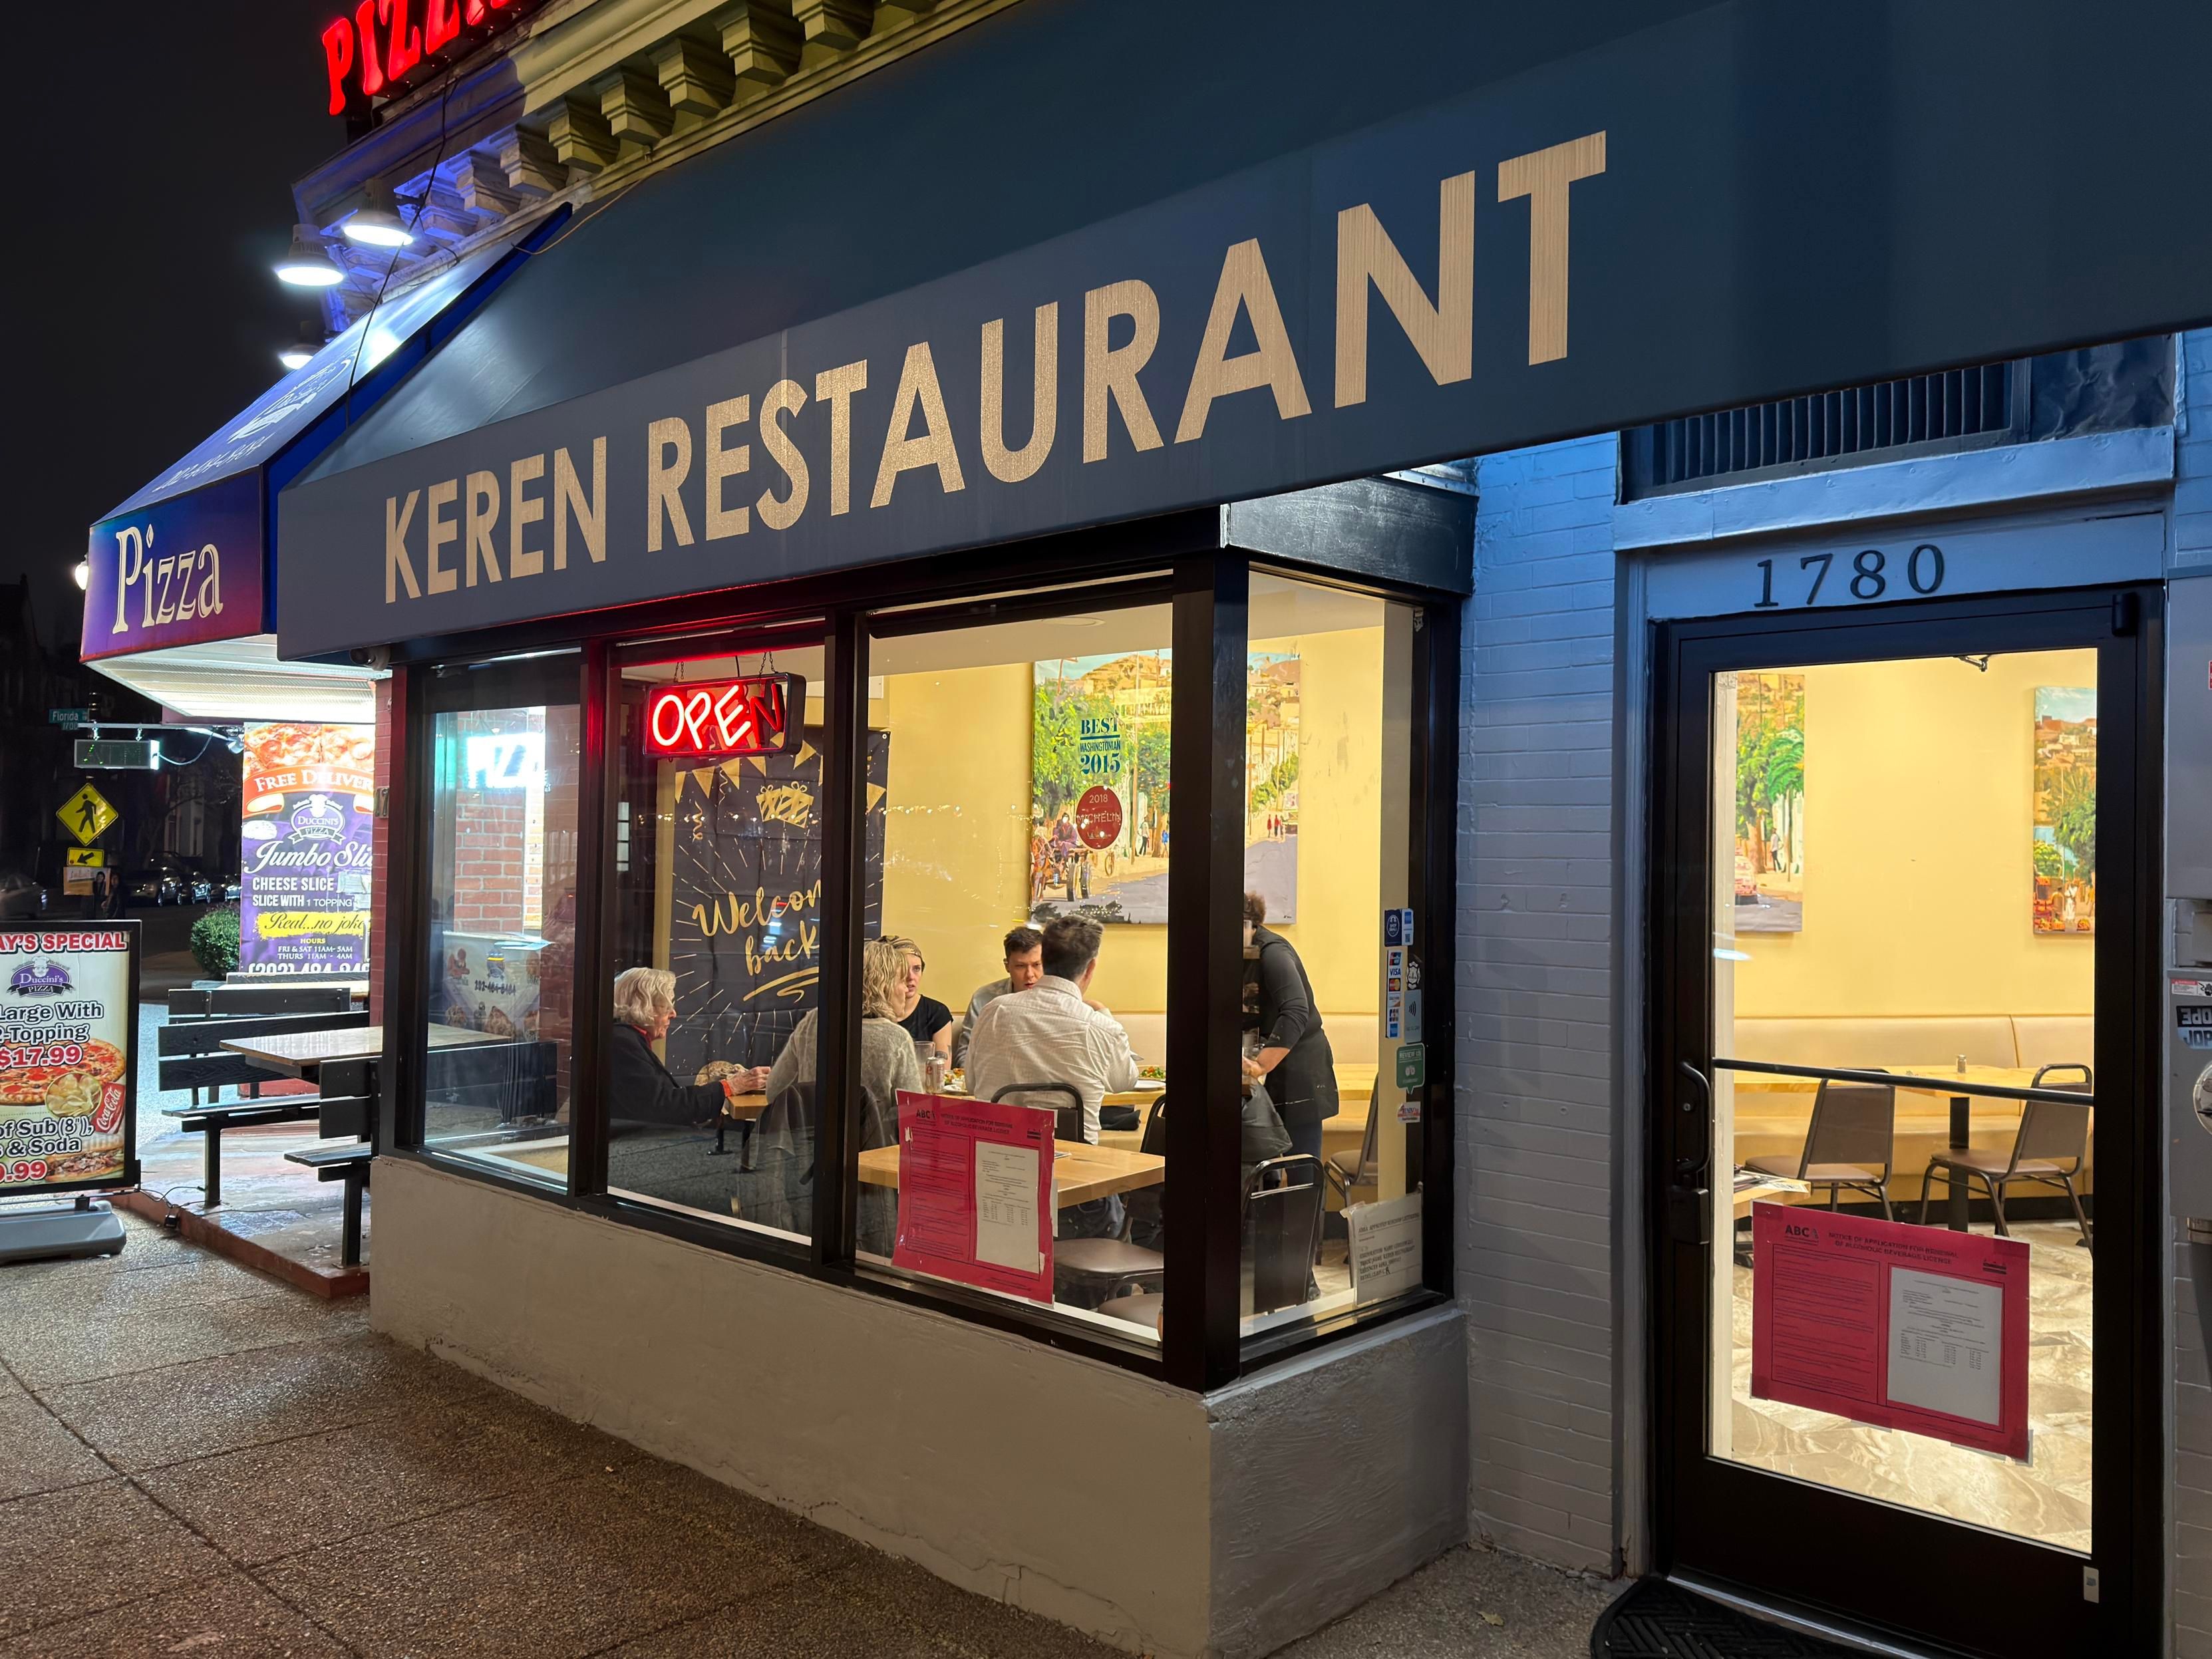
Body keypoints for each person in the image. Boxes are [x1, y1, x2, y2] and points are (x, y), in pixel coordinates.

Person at [964, 914, 1140, 1241]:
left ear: (1043, 959)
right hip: (1077, 1191)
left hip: (997, 1182)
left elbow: (972, 1085)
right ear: (1090, 969)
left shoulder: (994, 1011)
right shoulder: (1100, 1026)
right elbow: (1125, 1081)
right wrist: (1105, 1014)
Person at [758, 939, 922, 1251]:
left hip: (808, 1168)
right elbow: (914, 1121)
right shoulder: (896, 1039)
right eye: (902, 981)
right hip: (872, 1176)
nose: (907, 989)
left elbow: (775, 1091)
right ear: (884, 984)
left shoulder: (814, 1022)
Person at [1239, 891, 1336, 1187]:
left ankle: (1305, 1235)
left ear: (1249, 924)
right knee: (1263, 1169)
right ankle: (1262, 1233)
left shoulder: (1274, 953)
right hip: (1265, 1073)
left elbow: (1295, 1011)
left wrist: (1260, 1066)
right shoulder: (1242, 953)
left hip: (1300, 1071)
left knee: (1301, 1176)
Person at [609, 967, 770, 1126]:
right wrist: (732, 1085)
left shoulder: (627, 1038)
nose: (673, 1014)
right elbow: (666, 1108)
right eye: (666, 1007)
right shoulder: (624, 1043)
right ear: (642, 1005)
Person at [951, 925, 1044, 1068]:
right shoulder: (984, 998)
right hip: (993, 1080)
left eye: (1037, 965)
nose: (1030, 974)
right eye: (1020, 966)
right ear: (1007, 966)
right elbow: (966, 1054)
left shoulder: (1059, 998)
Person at [881, 935, 953, 1058]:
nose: (911, 977)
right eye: (902, 969)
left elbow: (942, 1070)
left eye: (917, 969)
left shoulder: (937, 1012)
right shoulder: (872, 1011)